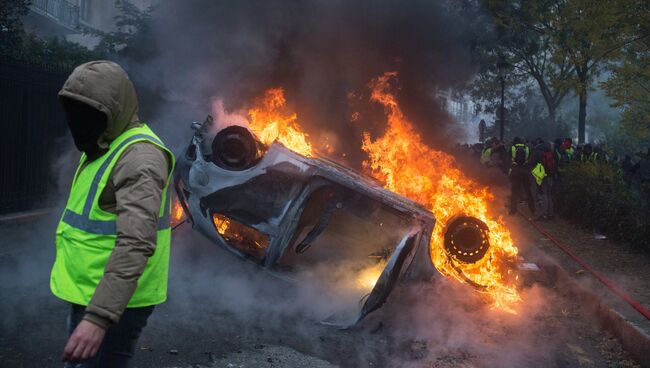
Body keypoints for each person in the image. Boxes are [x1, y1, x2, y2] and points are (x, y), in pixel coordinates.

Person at [50, 61, 175, 367]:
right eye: (72, 110)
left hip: (114, 304)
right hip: (98, 293)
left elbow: (136, 242)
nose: (76, 121)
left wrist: (99, 318)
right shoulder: (105, 144)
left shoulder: (139, 157)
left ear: (114, 109)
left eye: (88, 112)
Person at [509, 137, 535, 215]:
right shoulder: (527, 148)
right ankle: (532, 209)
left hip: (515, 172)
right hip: (525, 171)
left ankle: (513, 210)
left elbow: (508, 160)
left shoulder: (512, 148)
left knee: (514, 192)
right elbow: (531, 160)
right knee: (528, 191)